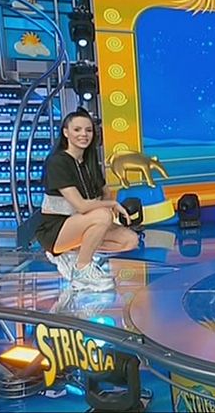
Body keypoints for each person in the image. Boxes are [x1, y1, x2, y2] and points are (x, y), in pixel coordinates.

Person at [35, 108, 139, 292]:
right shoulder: (58, 162)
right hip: (56, 229)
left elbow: (105, 192)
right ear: (66, 132)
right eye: (77, 130)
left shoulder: (89, 161)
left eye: (88, 130)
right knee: (102, 215)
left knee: (130, 240)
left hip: (83, 222)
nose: (83, 134)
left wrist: (110, 207)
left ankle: (74, 254)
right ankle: (82, 269)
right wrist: (111, 206)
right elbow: (81, 206)